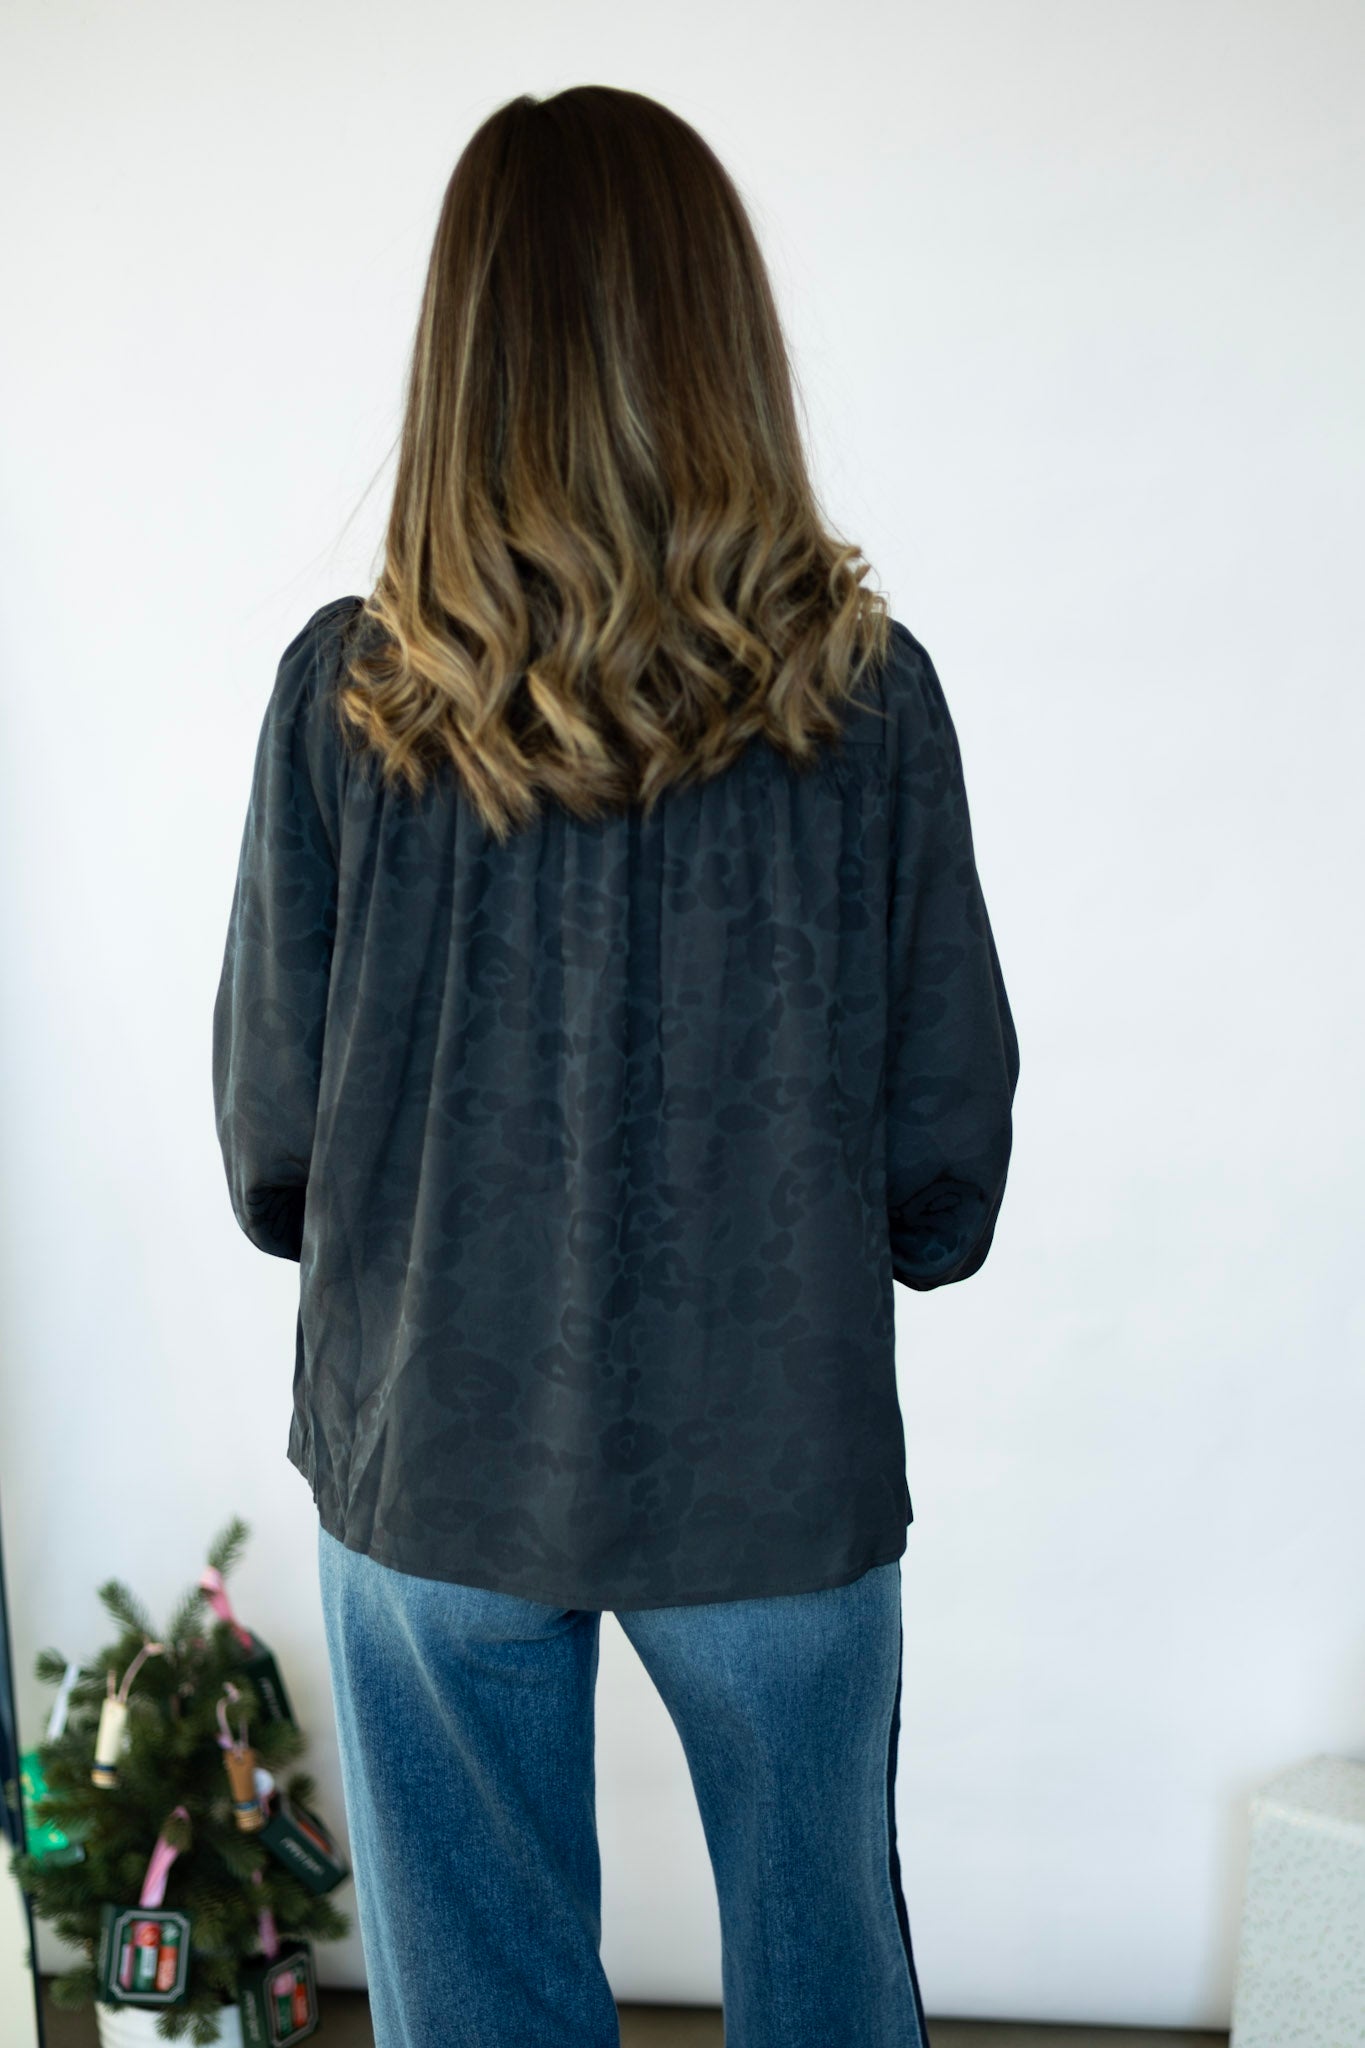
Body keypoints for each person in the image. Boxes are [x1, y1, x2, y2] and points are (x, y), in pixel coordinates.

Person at [212, 83, 1019, 2048]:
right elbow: (940, 1165)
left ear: (461, 350)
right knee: (825, 1984)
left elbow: (271, 1152)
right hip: (773, 1475)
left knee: (475, 2002)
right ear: (720, 343)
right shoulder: (865, 699)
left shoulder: (347, 696)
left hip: (434, 1468)